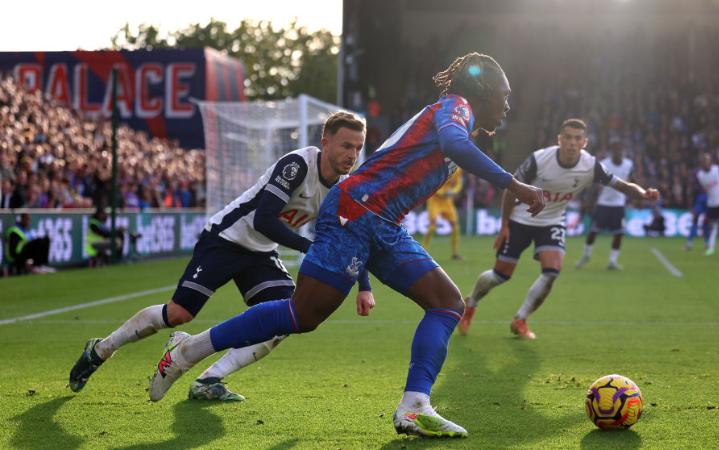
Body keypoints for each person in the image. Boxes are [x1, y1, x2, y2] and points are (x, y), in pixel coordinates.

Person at [147, 52, 545, 438]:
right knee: (303, 315)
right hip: (354, 212)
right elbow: (456, 146)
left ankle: (415, 405)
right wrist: (515, 184)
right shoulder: (457, 106)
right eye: (505, 96)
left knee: (446, 304)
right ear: (484, 91)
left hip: (382, 224)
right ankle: (187, 351)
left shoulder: (457, 115)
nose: (508, 106)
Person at [69, 112, 374, 401]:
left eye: (358, 147)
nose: (352, 154)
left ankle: (207, 380)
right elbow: (263, 220)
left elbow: (351, 238)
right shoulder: (298, 164)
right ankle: (101, 350)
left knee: (285, 320)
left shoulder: (343, 189)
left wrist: (364, 286)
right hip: (227, 238)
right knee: (179, 314)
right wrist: (310, 248)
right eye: (346, 145)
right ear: (325, 141)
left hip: (262, 252)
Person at [460, 119, 659, 340]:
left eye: (577, 139)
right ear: (559, 139)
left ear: (584, 143)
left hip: (552, 221)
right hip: (521, 219)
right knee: (500, 276)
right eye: (568, 138)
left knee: (552, 271)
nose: (572, 143)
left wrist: (643, 194)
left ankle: (520, 319)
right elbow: (510, 190)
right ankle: (470, 303)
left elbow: (622, 185)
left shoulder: (590, 165)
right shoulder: (539, 159)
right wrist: (505, 225)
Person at [576, 139, 634, 270]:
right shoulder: (604, 164)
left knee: (619, 234)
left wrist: (634, 196)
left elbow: (631, 181)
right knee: (593, 231)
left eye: (621, 149)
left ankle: (612, 261)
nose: (619, 152)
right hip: (604, 203)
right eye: (616, 149)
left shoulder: (629, 164)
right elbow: (595, 184)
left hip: (619, 204)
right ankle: (586, 255)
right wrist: (590, 201)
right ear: (611, 151)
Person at [422, 167, 464, 259]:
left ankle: (455, 253)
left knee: (455, 226)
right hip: (434, 199)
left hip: (447, 201)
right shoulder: (438, 165)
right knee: (432, 226)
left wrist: (453, 192)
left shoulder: (458, 169)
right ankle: (423, 251)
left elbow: (458, 184)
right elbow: (431, 182)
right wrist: (442, 193)